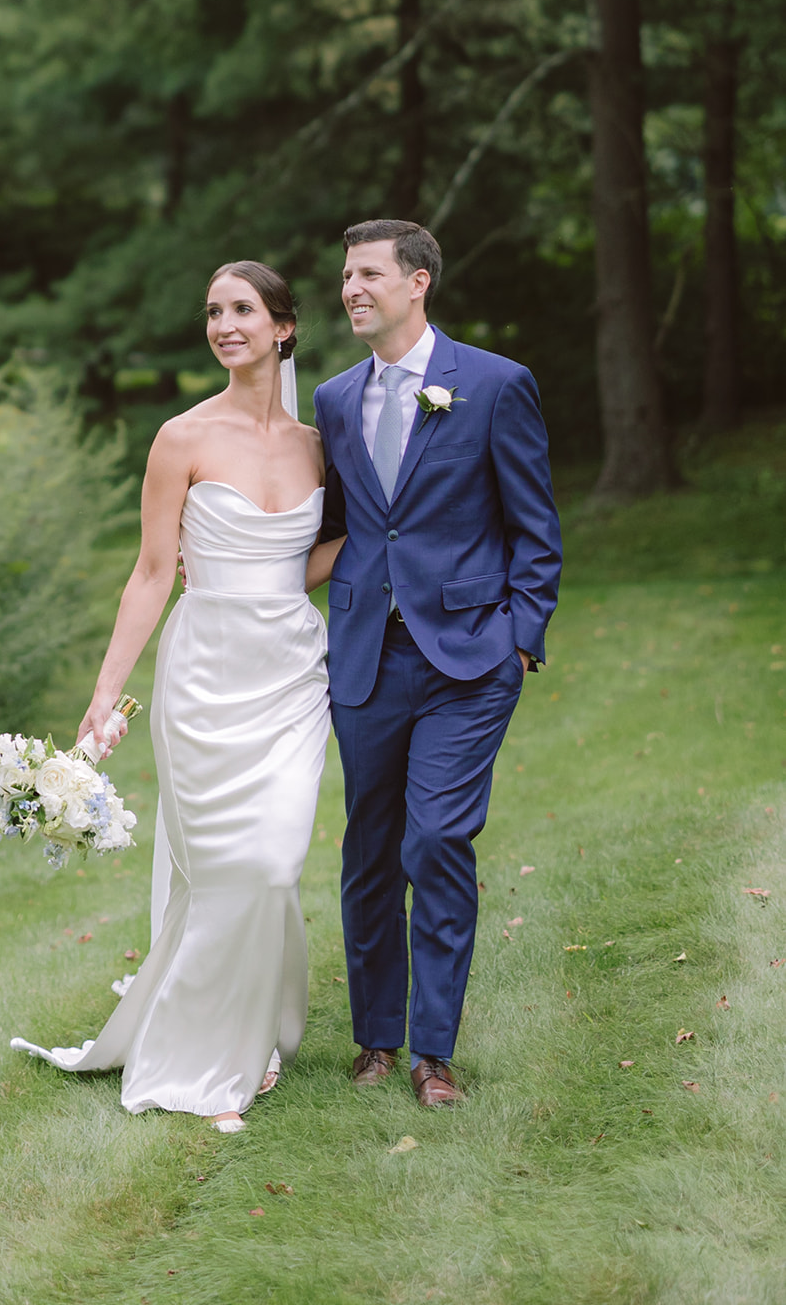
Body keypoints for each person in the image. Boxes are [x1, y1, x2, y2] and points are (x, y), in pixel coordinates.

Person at [12, 262, 342, 1130]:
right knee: (223, 866)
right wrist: (104, 695)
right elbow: (153, 571)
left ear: (282, 328)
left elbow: (306, 561)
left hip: (292, 676)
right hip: (203, 677)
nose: (223, 324)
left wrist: (346, 552)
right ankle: (226, 1042)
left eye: (241, 310)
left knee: (272, 861)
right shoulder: (180, 438)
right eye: (212, 311)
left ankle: (248, 1024)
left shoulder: (316, 446)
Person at [313, 219, 562, 1107]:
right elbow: (340, 524)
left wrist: (518, 635)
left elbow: (535, 526)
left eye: (369, 273)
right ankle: (376, 1040)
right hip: (363, 659)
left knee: (435, 841)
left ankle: (433, 1054)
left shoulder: (493, 385)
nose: (351, 289)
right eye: (346, 275)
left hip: (466, 659)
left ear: (417, 282)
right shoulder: (336, 398)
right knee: (370, 852)